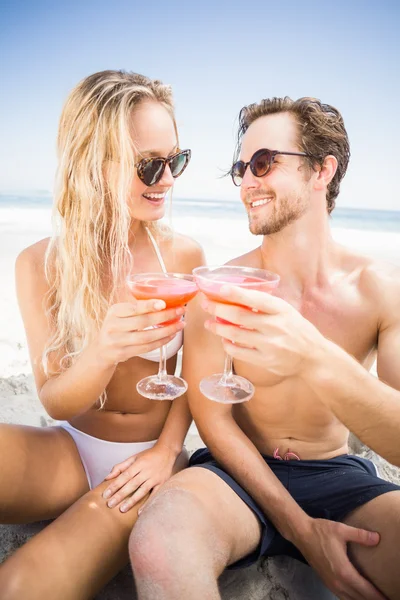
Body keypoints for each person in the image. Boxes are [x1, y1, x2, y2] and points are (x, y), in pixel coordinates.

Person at [129, 97, 400, 600]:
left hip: (340, 477)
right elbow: (214, 420)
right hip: (236, 476)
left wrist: (315, 358)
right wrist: (300, 527)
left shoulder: (380, 289)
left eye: (264, 162)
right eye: (241, 167)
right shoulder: (221, 285)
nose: (247, 182)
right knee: (159, 541)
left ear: (322, 170)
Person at [0, 69, 204, 599]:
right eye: (149, 165)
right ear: (94, 162)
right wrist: (106, 350)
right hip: (68, 449)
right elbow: (57, 401)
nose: (168, 178)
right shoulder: (41, 263)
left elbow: (197, 379)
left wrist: (167, 454)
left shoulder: (183, 257)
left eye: (176, 159)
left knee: (19, 585)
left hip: (146, 464)